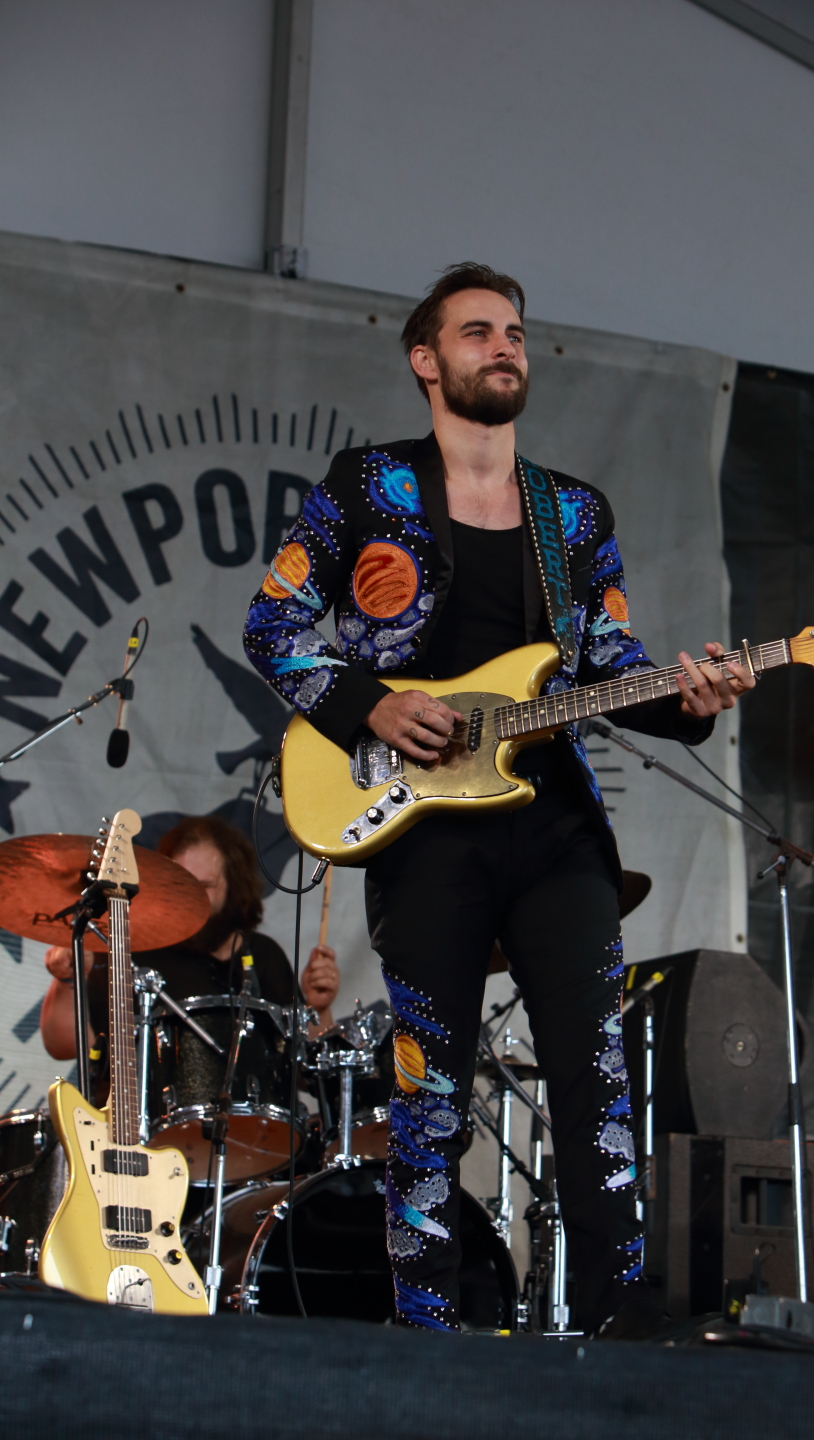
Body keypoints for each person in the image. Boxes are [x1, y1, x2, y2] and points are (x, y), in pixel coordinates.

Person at [243, 262, 755, 1336]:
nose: (504, 345)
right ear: (426, 361)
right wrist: (373, 706)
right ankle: (427, 1333)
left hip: (553, 823)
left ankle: (617, 1323)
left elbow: (612, 668)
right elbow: (273, 626)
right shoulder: (366, 485)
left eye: (515, 331)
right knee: (427, 1091)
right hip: (424, 832)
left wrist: (693, 701)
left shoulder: (574, 513)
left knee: (595, 1072)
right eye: (478, 331)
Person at [40, 815, 340, 1065]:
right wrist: (67, 980)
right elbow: (64, 1046)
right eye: (181, 885)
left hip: (251, 1120)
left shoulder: (264, 955)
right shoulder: (132, 949)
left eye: (204, 886)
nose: (192, 897)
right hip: (149, 1118)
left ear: (233, 886)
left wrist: (319, 1009)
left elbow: (306, 1070)